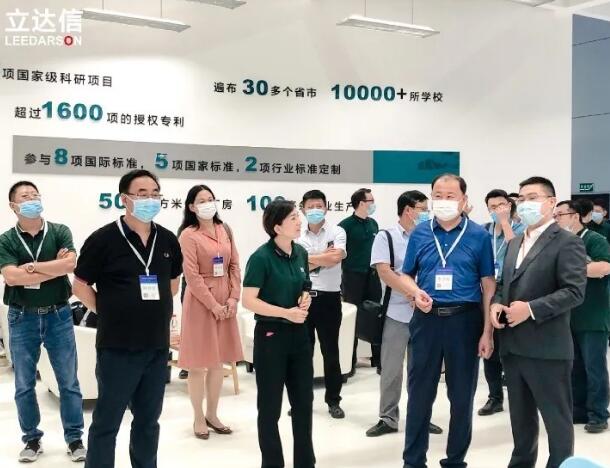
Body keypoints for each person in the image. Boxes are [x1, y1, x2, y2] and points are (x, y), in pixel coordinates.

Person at [73, 169, 183, 468]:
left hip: (156, 346)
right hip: (117, 347)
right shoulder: (103, 239)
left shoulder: (167, 240)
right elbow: (80, 286)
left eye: (155, 194)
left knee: (148, 421)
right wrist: (109, 312)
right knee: (107, 422)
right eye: (142, 194)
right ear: (124, 199)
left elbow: (173, 284)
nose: (150, 199)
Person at [396, 173, 495, 468]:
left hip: (464, 321)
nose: (443, 201)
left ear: (464, 200)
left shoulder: (478, 235)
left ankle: (455, 460)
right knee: (419, 393)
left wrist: (487, 331)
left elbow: (488, 284)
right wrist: (415, 292)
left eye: (450, 196)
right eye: (438, 195)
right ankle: (413, 460)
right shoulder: (420, 233)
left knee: (462, 395)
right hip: (426, 320)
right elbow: (405, 274)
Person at [491, 176, 587, 468]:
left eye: (532, 198)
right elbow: (504, 284)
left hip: (547, 348)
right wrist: (496, 302)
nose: (525, 204)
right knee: (521, 422)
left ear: (551, 202)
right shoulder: (514, 242)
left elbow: (574, 292)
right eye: (521, 199)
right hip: (513, 346)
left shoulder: (567, 242)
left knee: (557, 422)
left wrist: (531, 309)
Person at [0, 181, 86, 463]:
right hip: (21, 316)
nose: (32, 199)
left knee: (68, 381)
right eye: (25, 196)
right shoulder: (6, 240)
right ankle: (32, 439)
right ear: (13, 206)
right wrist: (53, 268)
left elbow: (70, 265)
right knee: (24, 384)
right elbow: (12, 277)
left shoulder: (59, 231)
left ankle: (74, 439)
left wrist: (32, 267)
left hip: (58, 314)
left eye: (35, 194)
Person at [242, 200, 315, 468]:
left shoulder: (301, 252)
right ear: (277, 227)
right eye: (293, 218)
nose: (299, 221)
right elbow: (248, 300)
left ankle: (305, 463)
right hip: (271, 336)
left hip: (299, 335)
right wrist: (285, 313)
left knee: (303, 403)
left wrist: (305, 298)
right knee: (270, 407)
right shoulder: (261, 258)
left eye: (298, 216)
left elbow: (305, 285)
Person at [365, 190, 442, 438]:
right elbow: (385, 272)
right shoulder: (386, 237)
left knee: (423, 370)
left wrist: (421, 295)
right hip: (396, 313)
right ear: (408, 210)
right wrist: (412, 292)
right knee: (391, 369)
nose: (427, 214)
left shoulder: (431, 236)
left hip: (425, 313)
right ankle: (388, 418)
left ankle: (421, 417)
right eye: (423, 209)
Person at [177, 184, 243, 439]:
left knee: (218, 363)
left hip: (226, 300)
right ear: (192, 207)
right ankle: (198, 417)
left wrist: (234, 298)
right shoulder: (188, 235)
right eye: (202, 200)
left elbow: (234, 265)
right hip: (200, 303)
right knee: (198, 364)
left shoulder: (225, 229)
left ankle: (212, 414)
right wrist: (213, 305)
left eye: (211, 199)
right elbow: (191, 276)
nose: (208, 204)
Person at [555, 199, 610, 434]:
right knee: (574, 366)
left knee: (594, 367)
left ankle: (598, 414)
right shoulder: (560, 242)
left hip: (593, 315)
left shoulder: (594, 240)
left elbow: (604, 267)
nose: (556, 219)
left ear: (574, 216)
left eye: (560, 215)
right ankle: (578, 410)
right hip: (569, 315)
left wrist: (570, 269)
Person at [297, 190, 347, 419]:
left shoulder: (337, 231)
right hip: (302, 299)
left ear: (326, 207)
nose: (315, 210)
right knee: (302, 354)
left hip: (329, 299)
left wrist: (308, 258)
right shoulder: (297, 234)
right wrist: (321, 257)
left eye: (319, 205)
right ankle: (301, 401)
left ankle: (333, 401)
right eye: (311, 206)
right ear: (303, 209)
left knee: (331, 352)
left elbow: (335, 258)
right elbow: (295, 263)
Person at [478, 189, 525, 417]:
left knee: (512, 347)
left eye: (501, 205)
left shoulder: (521, 228)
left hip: (511, 293)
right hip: (486, 292)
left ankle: (520, 396)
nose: (497, 210)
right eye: (493, 207)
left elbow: (517, 251)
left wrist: (505, 223)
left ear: (510, 205)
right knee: (490, 345)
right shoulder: (483, 231)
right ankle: (494, 397)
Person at [338, 188, 381, 374]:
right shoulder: (345, 226)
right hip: (352, 276)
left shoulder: (373, 224)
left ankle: (378, 359)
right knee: (352, 315)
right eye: (371, 201)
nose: (373, 204)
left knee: (376, 314)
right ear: (361, 203)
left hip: (373, 274)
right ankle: (350, 361)